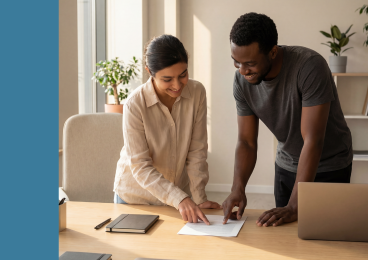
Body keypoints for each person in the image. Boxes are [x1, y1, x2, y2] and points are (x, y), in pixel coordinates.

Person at [222, 13, 353, 227]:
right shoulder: (242, 81)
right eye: (236, 62)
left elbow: (313, 140)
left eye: (250, 63)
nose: (243, 70)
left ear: (273, 52)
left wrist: (294, 207)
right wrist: (238, 189)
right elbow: (246, 141)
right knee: (286, 235)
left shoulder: (310, 67)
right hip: (287, 163)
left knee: (326, 235)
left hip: (329, 165)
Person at [113, 34, 220, 225]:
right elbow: (140, 165)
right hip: (136, 199)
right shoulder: (135, 104)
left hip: (180, 199)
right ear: (149, 72)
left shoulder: (197, 93)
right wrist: (179, 198)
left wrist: (199, 198)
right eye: (167, 79)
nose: (177, 85)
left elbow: (197, 151)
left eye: (183, 75)